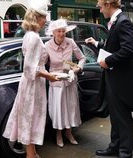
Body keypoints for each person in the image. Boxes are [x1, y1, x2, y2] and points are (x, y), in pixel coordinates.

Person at [85, 0, 133, 157]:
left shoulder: (123, 22)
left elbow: (127, 49)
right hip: (114, 79)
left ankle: (125, 152)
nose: (99, 10)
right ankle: (114, 146)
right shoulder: (116, 22)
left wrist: (107, 61)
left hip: (122, 81)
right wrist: (97, 43)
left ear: (108, 5)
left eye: (100, 6)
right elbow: (114, 45)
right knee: (115, 115)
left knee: (123, 118)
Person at [3, 2, 58, 158]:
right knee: (30, 118)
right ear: (36, 18)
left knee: (30, 118)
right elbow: (29, 69)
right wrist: (50, 76)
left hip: (33, 84)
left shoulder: (30, 35)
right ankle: (30, 155)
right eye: (44, 18)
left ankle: (32, 153)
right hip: (33, 85)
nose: (46, 21)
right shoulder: (33, 37)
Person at [45, 18, 86, 148]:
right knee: (58, 110)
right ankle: (58, 134)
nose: (61, 34)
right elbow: (42, 64)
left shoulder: (70, 42)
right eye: (59, 31)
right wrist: (49, 75)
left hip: (70, 80)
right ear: (53, 32)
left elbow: (82, 58)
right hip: (56, 82)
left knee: (71, 108)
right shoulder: (47, 46)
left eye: (63, 31)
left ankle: (69, 133)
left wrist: (78, 68)